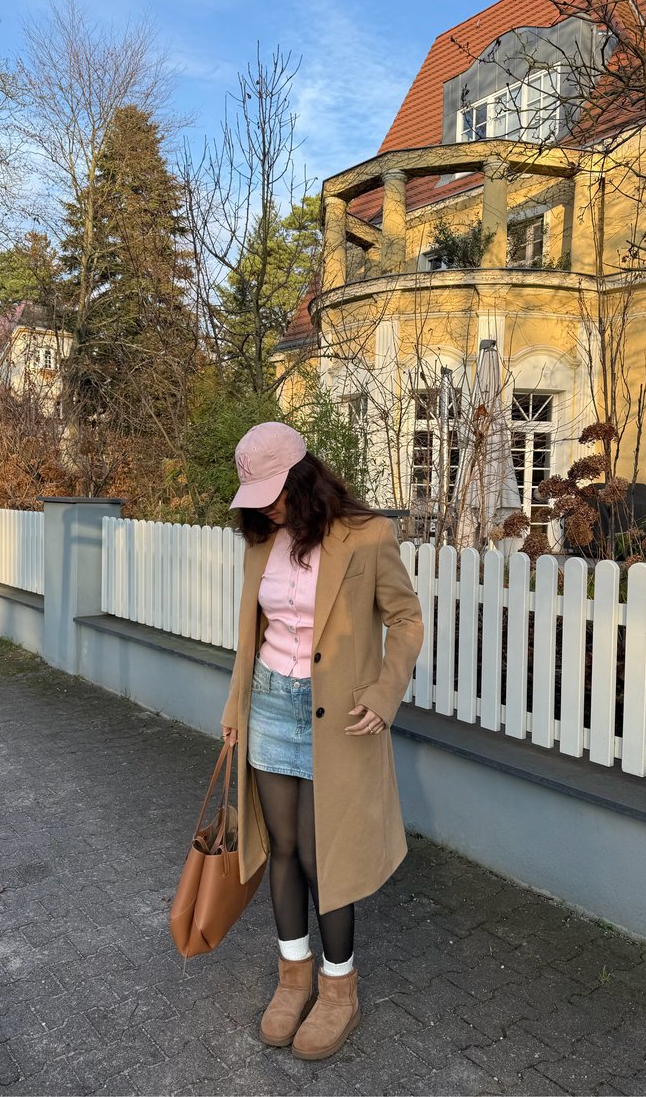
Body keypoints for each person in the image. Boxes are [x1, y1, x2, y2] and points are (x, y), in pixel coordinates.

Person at [221, 421, 423, 1061]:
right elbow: (252, 631)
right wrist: (236, 707)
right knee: (280, 847)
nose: (268, 509)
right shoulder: (262, 540)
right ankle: (293, 975)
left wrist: (385, 692)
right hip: (272, 705)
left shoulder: (367, 536)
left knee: (321, 852)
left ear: (305, 480)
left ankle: (340, 990)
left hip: (338, 715)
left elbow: (407, 618)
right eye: (257, 498)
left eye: (275, 495)